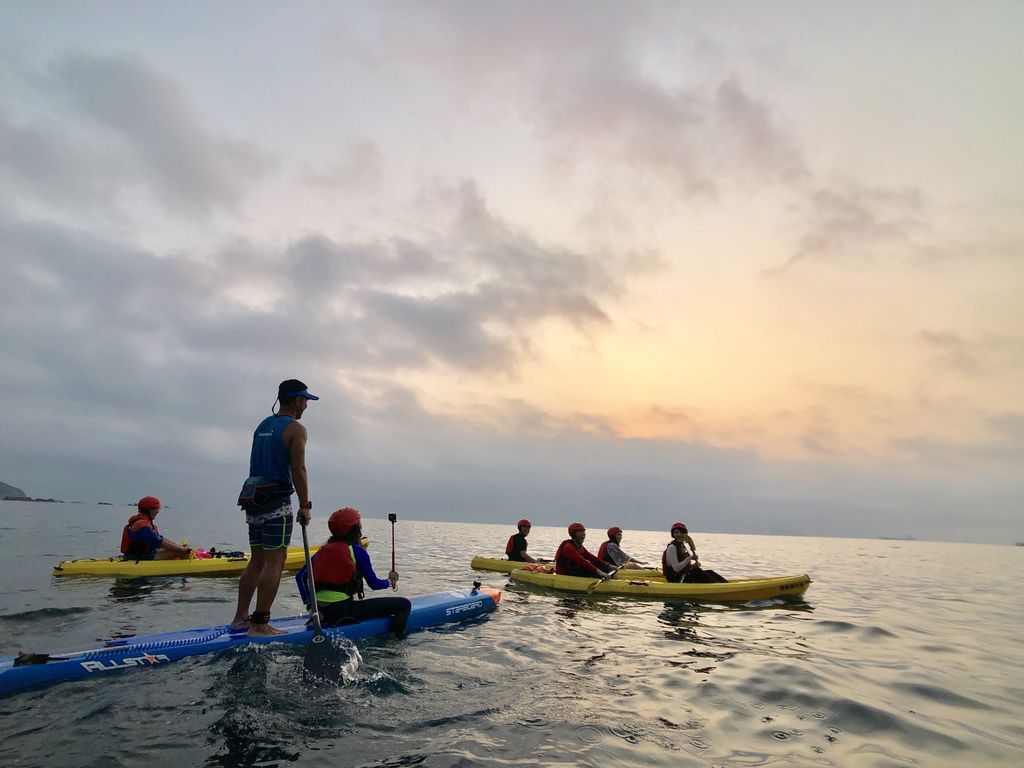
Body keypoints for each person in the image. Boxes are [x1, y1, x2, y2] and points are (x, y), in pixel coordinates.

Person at [231, 379, 317, 637]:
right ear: (299, 400)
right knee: (275, 562)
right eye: (306, 401)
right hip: (277, 504)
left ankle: (240, 618)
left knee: (256, 560)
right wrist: (304, 505)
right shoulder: (296, 429)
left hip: (253, 501)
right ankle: (260, 624)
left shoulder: (263, 425)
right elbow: (298, 468)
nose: (306, 406)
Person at [304, 507, 411, 636]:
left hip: (320, 612)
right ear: (355, 529)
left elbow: (300, 576)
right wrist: (390, 581)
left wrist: (310, 606)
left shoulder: (323, 550)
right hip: (343, 611)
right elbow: (374, 584)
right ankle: (395, 643)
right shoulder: (358, 551)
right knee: (404, 605)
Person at [120, 496, 192, 560]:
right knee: (181, 552)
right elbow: (158, 542)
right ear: (146, 510)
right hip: (139, 557)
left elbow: (160, 539)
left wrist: (179, 545)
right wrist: (181, 549)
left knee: (178, 549)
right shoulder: (142, 525)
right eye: (155, 508)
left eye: (158, 508)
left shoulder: (142, 522)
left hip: (141, 554)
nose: (158, 511)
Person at [662, 522, 727, 583]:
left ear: (685, 534)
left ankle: (725, 584)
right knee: (697, 572)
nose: (679, 535)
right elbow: (676, 568)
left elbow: (684, 567)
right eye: (676, 532)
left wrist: (693, 566)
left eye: (681, 532)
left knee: (709, 572)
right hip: (676, 580)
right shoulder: (672, 547)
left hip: (683, 575)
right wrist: (689, 558)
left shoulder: (682, 547)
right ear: (673, 534)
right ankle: (719, 586)